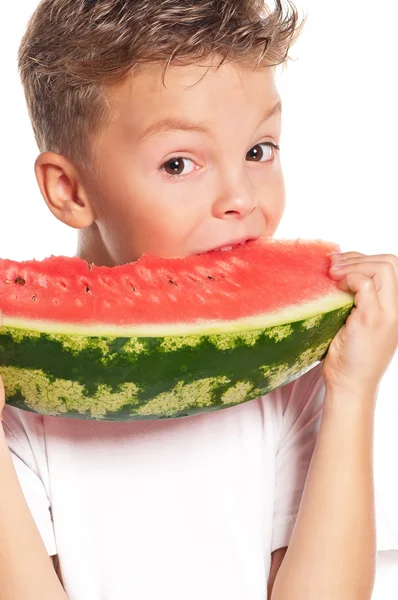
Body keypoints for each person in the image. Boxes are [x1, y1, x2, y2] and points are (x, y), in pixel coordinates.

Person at [1, 1, 397, 599]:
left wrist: (353, 390)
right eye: (179, 163)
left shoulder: (292, 375)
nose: (240, 197)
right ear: (71, 189)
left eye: (259, 150)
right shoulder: (24, 395)